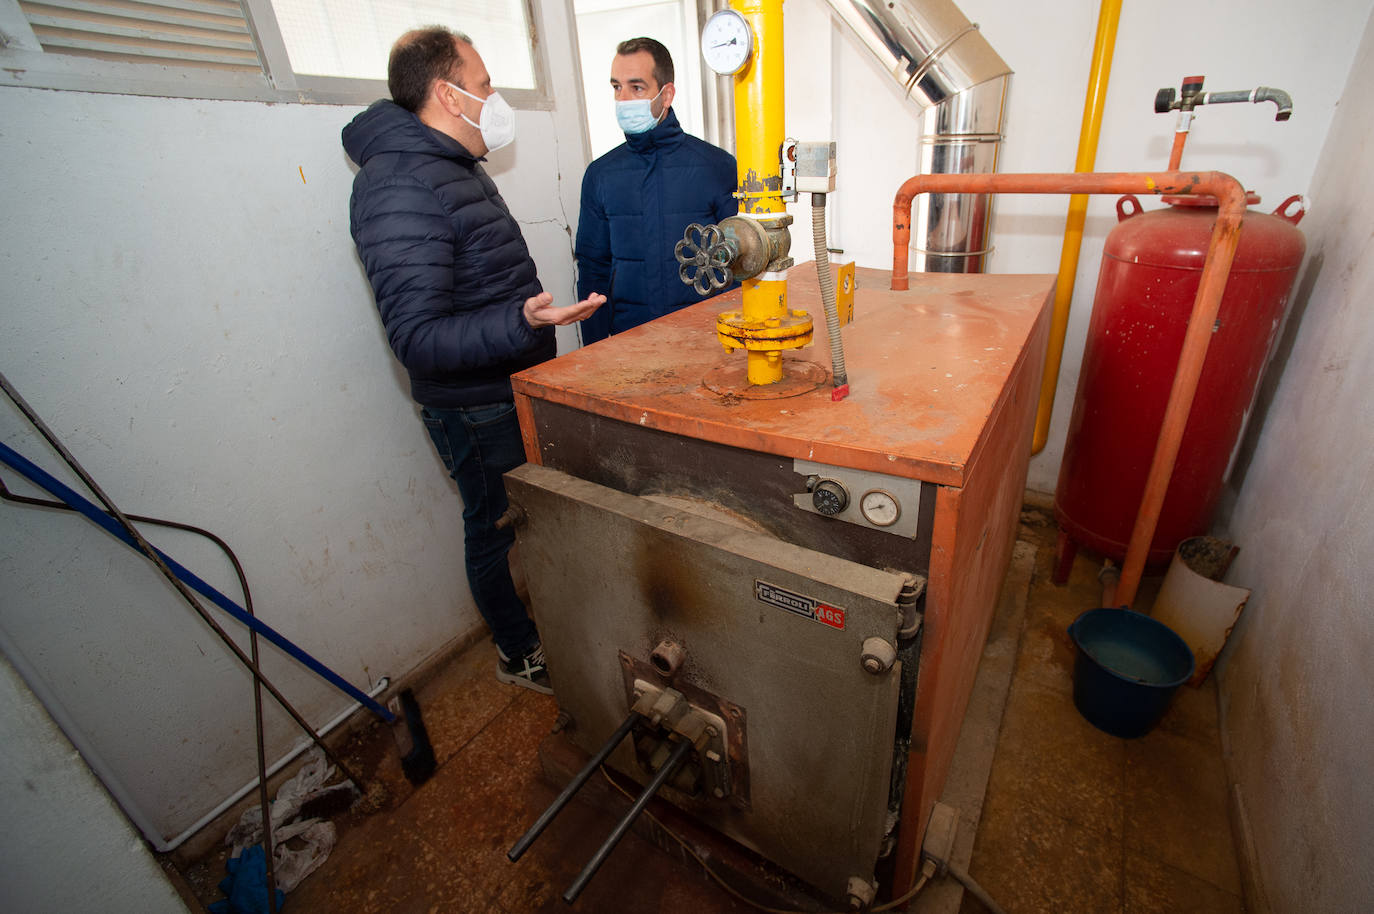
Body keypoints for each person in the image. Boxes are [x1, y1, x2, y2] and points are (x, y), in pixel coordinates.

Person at [341, 26, 604, 694]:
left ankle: (548, 623)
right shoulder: (398, 184)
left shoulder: (450, 166)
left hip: (504, 385)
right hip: (473, 404)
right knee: (490, 527)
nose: (494, 98)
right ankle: (518, 652)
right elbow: (417, 336)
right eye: (484, 85)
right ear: (447, 95)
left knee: (524, 514)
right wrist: (520, 321)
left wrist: (526, 329)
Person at [575, 37, 738, 344]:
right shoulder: (601, 175)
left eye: (636, 87)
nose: (623, 99)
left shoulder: (716, 166)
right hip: (631, 343)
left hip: (705, 340)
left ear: (667, 94)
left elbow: (741, 265)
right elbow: (592, 269)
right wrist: (595, 352)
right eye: (616, 87)